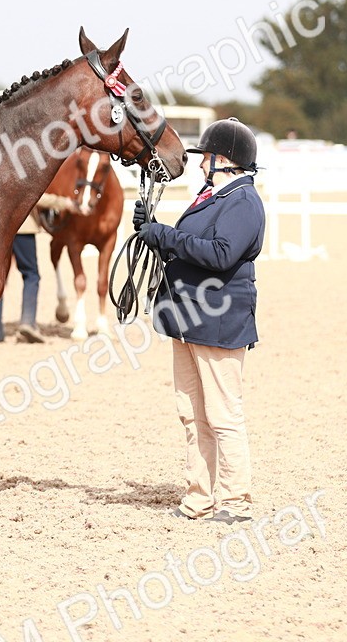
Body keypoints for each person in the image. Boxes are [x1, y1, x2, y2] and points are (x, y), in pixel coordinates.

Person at [134, 117, 265, 524]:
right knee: (191, 411)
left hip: (218, 321)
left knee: (223, 413)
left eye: (205, 157)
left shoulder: (243, 202)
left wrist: (164, 236)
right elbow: (193, 245)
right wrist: (153, 232)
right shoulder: (212, 195)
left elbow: (221, 254)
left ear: (222, 159)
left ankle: (236, 501)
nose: (200, 164)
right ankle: (199, 496)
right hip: (189, 318)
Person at [0, 193, 83, 343]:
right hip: (24, 228)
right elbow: (36, 195)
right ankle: (28, 322)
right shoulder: (22, 171)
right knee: (31, 274)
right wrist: (64, 203)